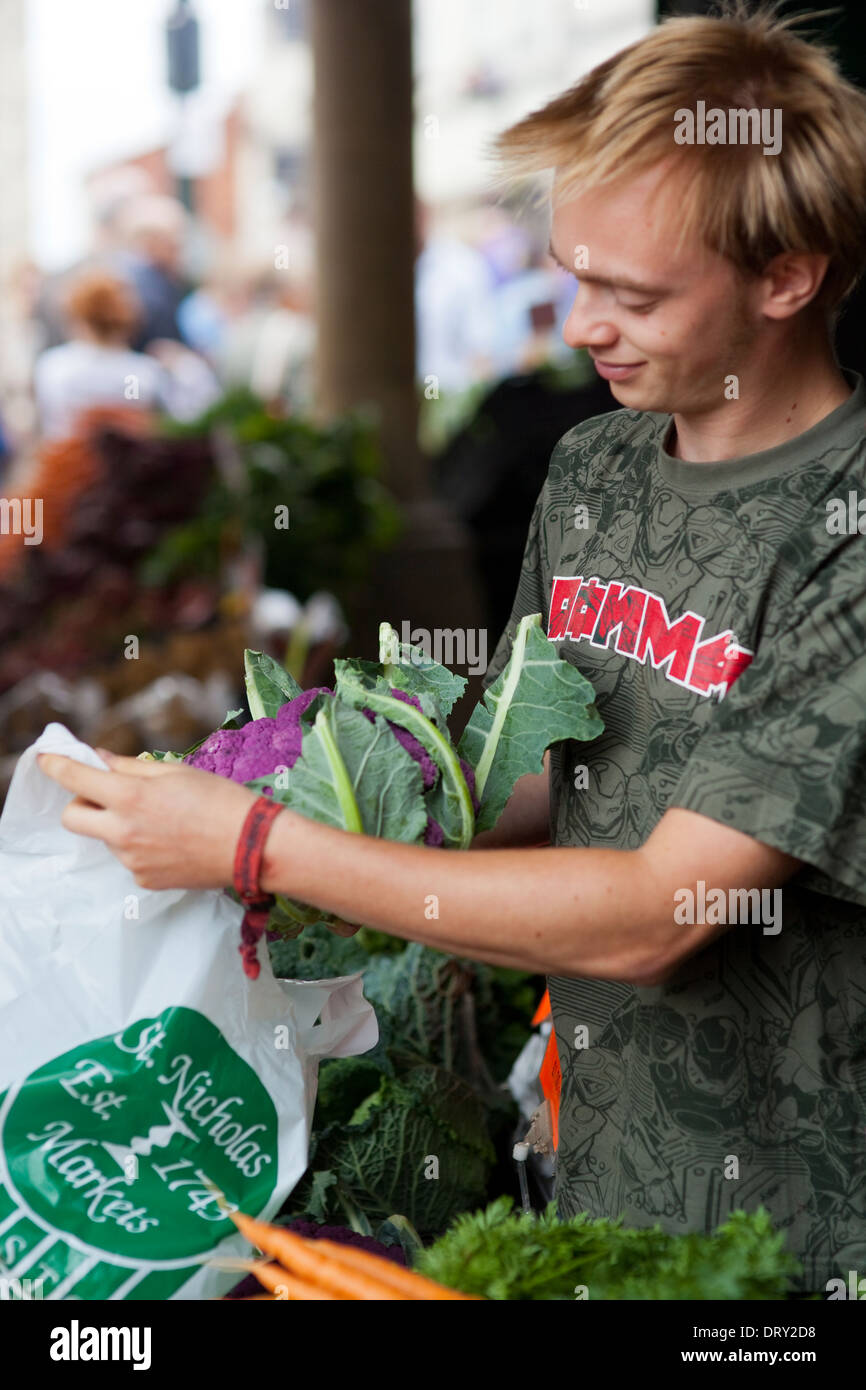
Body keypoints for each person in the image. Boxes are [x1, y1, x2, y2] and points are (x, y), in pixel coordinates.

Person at [37, 1, 866, 1294]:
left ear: (785, 276)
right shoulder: (596, 463)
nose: (579, 322)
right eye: (569, 271)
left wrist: (259, 844)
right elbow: (544, 767)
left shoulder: (844, 528)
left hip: (794, 1227)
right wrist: (294, 803)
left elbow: (664, 910)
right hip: (589, 1170)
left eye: (628, 292)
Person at [33, 271, 171, 438]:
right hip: (127, 462)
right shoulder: (140, 373)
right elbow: (137, 409)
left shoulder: (54, 367)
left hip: (68, 460)